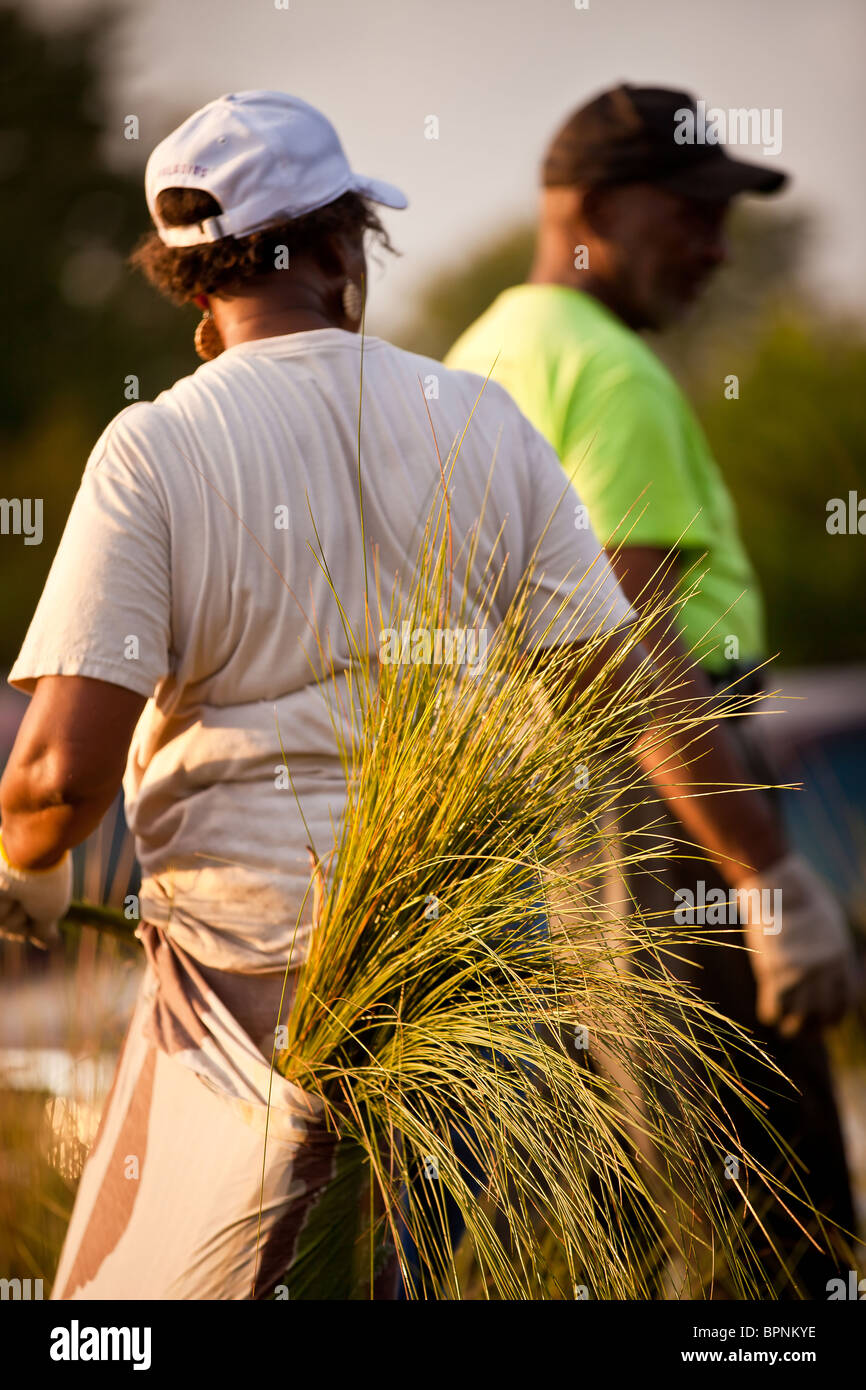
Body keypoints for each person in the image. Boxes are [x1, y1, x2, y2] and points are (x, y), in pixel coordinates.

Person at [0, 90, 855, 1300]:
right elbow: (617, 685)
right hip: (461, 994)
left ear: (192, 286)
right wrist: (768, 878)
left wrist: (28, 868)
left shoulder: (158, 446)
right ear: (347, 245)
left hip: (243, 984)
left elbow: (57, 773)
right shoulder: (478, 423)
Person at [446, 83, 862, 1293]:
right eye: (689, 213)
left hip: (558, 833)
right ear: (590, 207)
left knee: (654, 1210)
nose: (716, 248)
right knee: (781, 1238)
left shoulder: (478, 359)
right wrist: (766, 877)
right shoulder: (609, 372)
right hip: (665, 825)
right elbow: (632, 659)